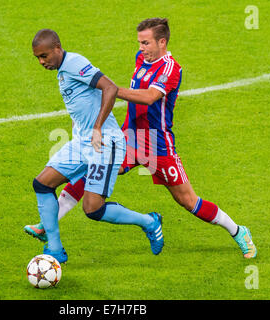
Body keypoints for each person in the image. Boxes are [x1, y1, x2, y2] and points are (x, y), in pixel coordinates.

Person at [26, 20, 257, 259]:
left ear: (162, 42)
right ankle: (49, 224)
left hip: (157, 146)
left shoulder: (170, 68)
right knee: (90, 172)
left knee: (188, 201)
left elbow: (149, 97)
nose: (141, 47)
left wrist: (110, 89)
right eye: (139, 42)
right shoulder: (141, 59)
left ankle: (238, 231)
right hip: (129, 138)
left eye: (146, 42)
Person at [27, 29, 164, 264]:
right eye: (38, 58)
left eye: (45, 56)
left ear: (57, 48)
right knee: (41, 183)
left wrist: (98, 127)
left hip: (105, 143)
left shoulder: (74, 63)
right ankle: (55, 248)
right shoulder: (62, 70)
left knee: (93, 209)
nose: (41, 62)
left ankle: (150, 222)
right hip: (82, 143)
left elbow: (110, 88)